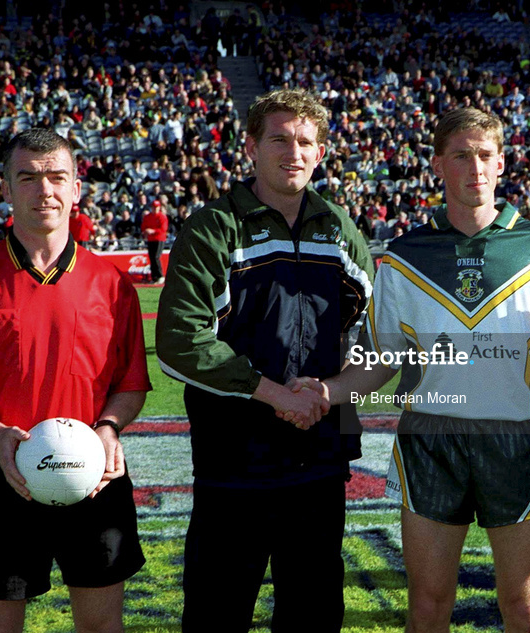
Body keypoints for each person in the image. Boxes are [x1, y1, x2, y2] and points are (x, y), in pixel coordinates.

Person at [292, 107, 530, 632]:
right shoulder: (403, 256)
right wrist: (327, 391)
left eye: (485, 155)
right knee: (428, 604)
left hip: (517, 440)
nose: (475, 167)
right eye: (461, 155)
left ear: (502, 162)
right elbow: (378, 362)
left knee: (526, 607)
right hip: (429, 441)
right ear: (438, 164)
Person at [154, 89, 374, 633]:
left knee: (314, 616)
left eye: (305, 141)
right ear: (251, 146)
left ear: (320, 152)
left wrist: (329, 395)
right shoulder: (214, 227)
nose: (292, 151)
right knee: (217, 615)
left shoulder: (340, 229)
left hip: (322, 458)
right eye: (279, 138)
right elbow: (181, 339)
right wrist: (278, 395)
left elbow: (375, 339)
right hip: (235, 462)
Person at [0, 129, 152, 633]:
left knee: (101, 628)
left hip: (96, 475)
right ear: (5, 188)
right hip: (0, 470)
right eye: (27, 177)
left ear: (75, 188)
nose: (43, 189)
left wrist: (110, 429)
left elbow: (132, 383)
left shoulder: (112, 284)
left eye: (56, 177)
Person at [140, 198, 168, 283]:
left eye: (156, 207)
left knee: (156, 256)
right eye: (153, 207)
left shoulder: (162, 217)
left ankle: (160, 275)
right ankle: (154, 277)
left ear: (159, 207)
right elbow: (143, 227)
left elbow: (163, 229)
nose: (155, 209)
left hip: (159, 238)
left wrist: (153, 231)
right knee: (152, 257)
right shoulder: (148, 217)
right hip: (151, 239)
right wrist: (145, 232)